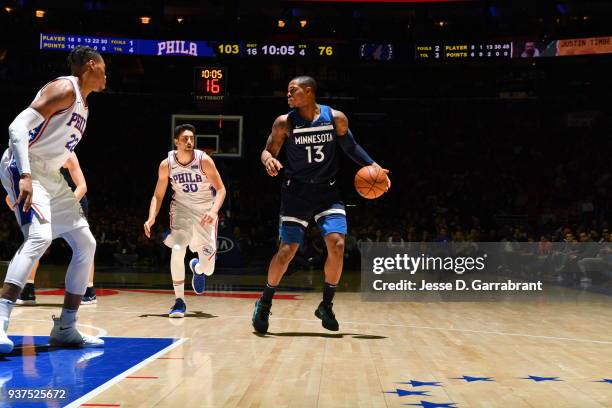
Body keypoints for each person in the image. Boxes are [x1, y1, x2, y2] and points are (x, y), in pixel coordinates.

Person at [252, 76, 390, 334]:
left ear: (309, 91)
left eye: (292, 91)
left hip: (327, 191)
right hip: (296, 192)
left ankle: (326, 305)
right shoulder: (285, 122)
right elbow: (267, 150)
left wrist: (372, 165)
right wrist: (268, 159)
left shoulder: (335, 118)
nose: (288, 95)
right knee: (287, 251)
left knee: (337, 244)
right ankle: (264, 302)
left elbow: (351, 146)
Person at [0, 46, 106, 353]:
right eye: (104, 67)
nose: (106, 74)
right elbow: (17, 127)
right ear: (90, 66)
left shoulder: (85, 103)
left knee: (86, 243)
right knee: (39, 237)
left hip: (51, 176)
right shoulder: (64, 88)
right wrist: (25, 175)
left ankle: (66, 327)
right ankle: (1, 322)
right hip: (25, 165)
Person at [144, 124, 226, 318]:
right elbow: (158, 195)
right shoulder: (167, 164)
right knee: (178, 249)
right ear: (176, 142)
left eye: (191, 138)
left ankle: (197, 267)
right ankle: (179, 301)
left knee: (209, 269)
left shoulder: (204, 160)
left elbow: (221, 189)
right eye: (184, 139)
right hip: (181, 210)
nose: (189, 141)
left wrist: (214, 211)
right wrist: (151, 217)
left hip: (205, 212)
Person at [7, 152, 98, 305]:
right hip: (48, 205)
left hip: (73, 201)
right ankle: (27, 290)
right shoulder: (29, 157)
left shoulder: (66, 152)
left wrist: (63, 208)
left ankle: (88, 291)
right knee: (34, 241)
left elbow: (82, 187)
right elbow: (10, 198)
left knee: (85, 244)